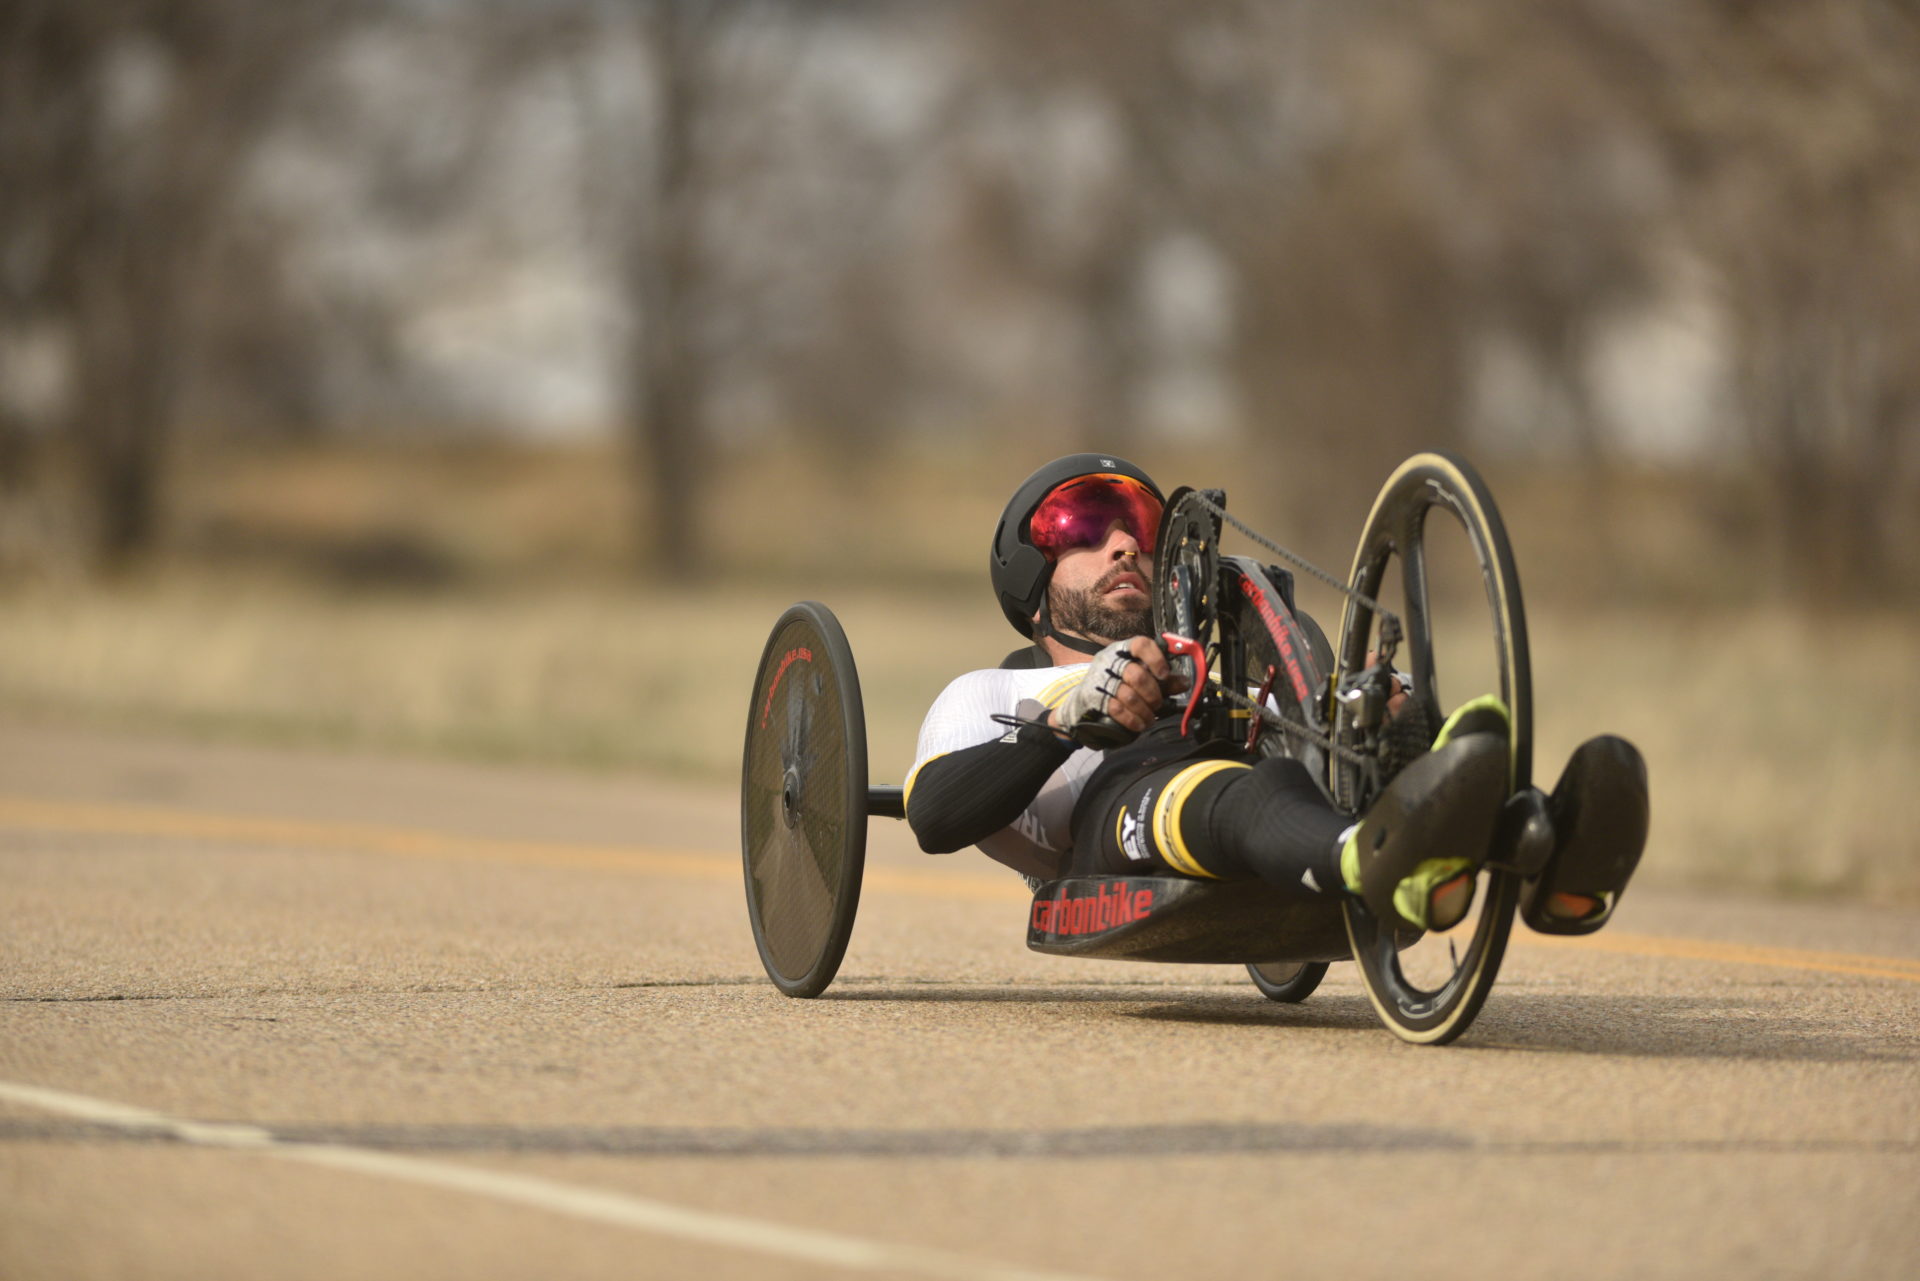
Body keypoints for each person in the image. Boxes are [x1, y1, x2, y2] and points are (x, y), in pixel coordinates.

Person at [904, 453, 1648, 936]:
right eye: (1086, 525)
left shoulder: (1209, 653)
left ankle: (1539, 848)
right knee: (1249, 790)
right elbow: (935, 814)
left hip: (1266, 754)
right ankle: (1375, 856)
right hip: (1120, 805)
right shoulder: (993, 688)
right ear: (1027, 575)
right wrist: (1066, 721)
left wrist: (1380, 709)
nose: (1125, 543)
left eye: (1141, 527)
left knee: (1382, 727)